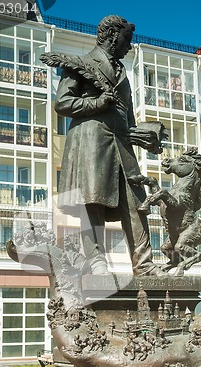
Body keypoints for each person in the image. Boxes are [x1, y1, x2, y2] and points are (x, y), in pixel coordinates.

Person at [54, 15, 164, 276]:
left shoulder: (123, 74)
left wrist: (144, 136)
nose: (129, 47)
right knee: (93, 201)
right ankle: (96, 261)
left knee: (136, 203)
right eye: (127, 40)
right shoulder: (81, 64)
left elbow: (128, 119)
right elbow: (62, 103)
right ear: (114, 36)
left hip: (122, 145)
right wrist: (96, 103)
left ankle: (145, 265)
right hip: (91, 140)